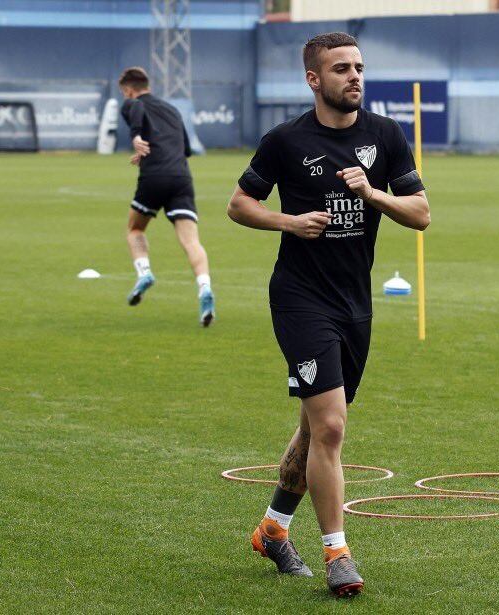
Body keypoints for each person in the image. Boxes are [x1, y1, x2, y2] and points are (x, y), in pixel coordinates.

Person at [226, 32, 430, 597]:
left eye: (359, 67)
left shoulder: (386, 136)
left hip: (354, 304)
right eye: (341, 68)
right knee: (332, 426)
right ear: (314, 79)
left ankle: (273, 530)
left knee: (314, 428)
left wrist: (374, 194)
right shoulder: (285, 140)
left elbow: (420, 214)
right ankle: (338, 554)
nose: (354, 76)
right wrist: (288, 222)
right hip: (300, 297)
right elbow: (239, 204)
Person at [118, 66, 215, 326]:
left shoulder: (132, 103)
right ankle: (205, 287)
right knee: (191, 241)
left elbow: (136, 109)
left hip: (154, 177)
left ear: (128, 90)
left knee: (135, 229)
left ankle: (144, 273)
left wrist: (136, 136)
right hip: (181, 178)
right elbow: (186, 149)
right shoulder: (172, 110)